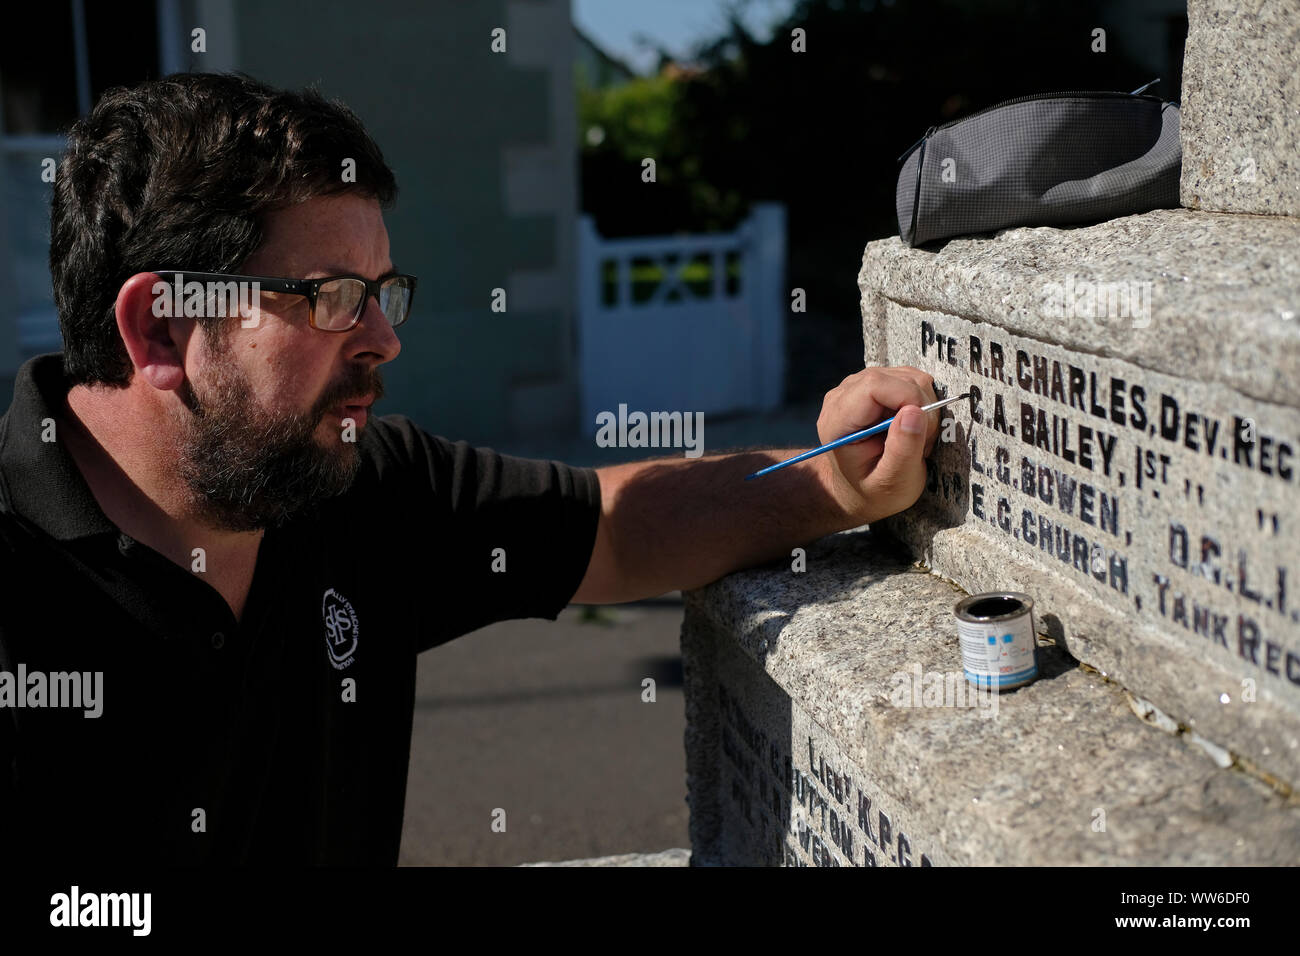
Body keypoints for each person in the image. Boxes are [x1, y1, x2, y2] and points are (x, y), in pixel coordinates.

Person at [0, 72, 938, 865]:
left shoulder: (359, 487)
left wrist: (833, 482)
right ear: (161, 327)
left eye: (383, 293)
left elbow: (618, 524)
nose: (383, 340)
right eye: (332, 297)